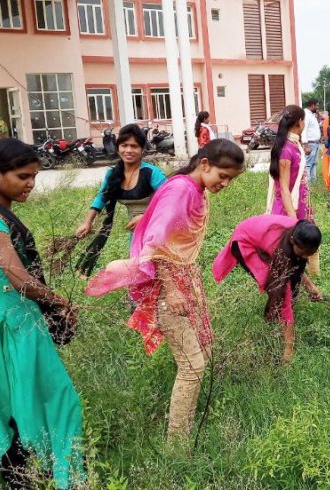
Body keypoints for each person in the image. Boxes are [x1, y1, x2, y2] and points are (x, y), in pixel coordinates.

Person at [86, 139, 246, 439]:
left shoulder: (192, 188)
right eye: (222, 176)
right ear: (205, 164)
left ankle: (185, 422)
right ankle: (177, 444)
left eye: (230, 180)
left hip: (185, 277)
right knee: (192, 365)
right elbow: (158, 243)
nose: (225, 183)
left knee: (203, 352)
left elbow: (162, 222)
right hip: (167, 285)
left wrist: (144, 218)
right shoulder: (181, 189)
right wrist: (171, 290)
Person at [0, 139, 85, 488]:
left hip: (7, 321)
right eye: (23, 176)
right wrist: (60, 301)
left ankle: (20, 473)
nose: (30, 184)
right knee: (60, 398)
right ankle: (64, 475)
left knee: (16, 396)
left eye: (34, 177)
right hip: (17, 323)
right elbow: (19, 278)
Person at [212, 216, 322, 363]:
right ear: (292, 241)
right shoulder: (280, 247)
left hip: (261, 236)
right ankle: (273, 321)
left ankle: (277, 320)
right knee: (275, 286)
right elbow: (285, 291)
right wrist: (289, 347)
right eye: (302, 254)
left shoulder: (300, 234)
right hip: (245, 241)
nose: (304, 257)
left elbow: (295, 267)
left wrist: (310, 287)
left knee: (291, 279)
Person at [75, 124, 167, 277]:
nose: (129, 150)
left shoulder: (152, 173)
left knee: (159, 267)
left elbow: (170, 201)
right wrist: (87, 222)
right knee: (139, 267)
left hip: (158, 227)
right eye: (124, 145)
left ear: (142, 149)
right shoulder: (113, 174)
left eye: (134, 146)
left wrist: (145, 218)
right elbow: (102, 196)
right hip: (135, 230)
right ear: (118, 148)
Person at [268, 104, 323, 291]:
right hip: (288, 208)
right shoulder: (286, 150)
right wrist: (293, 219)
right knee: (288, 251)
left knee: (299, 248)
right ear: (300, 122)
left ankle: (301, 282)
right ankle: (288, 287)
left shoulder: (293, 145)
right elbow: (283, 188)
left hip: (299, 204)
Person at [302, 99, 322, 184]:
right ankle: (308, 183)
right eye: (317, 105)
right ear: (312, 105)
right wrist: (306, 145)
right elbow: (304, 130)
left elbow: (315, 127)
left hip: (315, 143)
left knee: (314, 163)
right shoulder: (306, 115)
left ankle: (313, 182)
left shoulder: (311, 115)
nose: (318, 107)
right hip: (310, 143)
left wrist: (318, 117)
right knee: (308, 164)